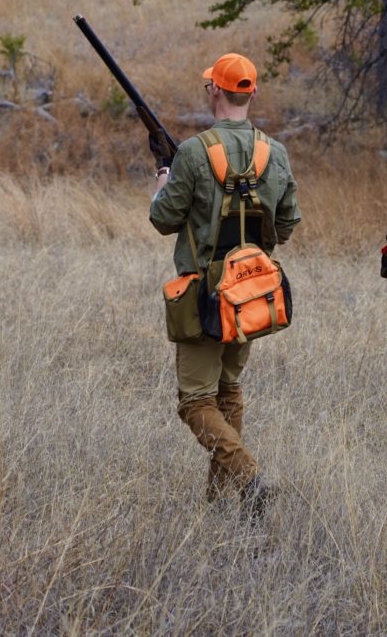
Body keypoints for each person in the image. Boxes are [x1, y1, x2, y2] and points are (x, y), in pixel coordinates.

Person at [148, 53, 301, 517]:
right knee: (228, 392)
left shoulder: (194, 153)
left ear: (214, 90)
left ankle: (250, 478)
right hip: (252, 290)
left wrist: (163, 184)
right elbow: (288, 224)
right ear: (252, 93)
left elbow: (162, 218)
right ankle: (218, 503)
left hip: (203, 295)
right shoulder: (275, 152)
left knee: (195, 401)